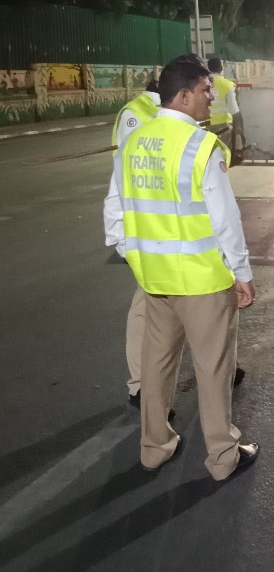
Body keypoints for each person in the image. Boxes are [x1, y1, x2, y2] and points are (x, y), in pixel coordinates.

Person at [104, 55, 258, 481]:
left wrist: (134, 253)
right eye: (206, 90)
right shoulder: (199, 146)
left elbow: (114, 207)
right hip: (203, 279)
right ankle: (223, 456)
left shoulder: (134, 140)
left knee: (156, 365)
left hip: (155, 279)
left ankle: (154, 447)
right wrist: (242, 272)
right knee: (213, 368)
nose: (212, 97)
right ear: (185, 95)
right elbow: (225, 219)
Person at [109, 76, 161, 410]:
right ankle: (142, 387)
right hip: (152, 235)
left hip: (165, 235)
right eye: (205, 89)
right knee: (149, 309)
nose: (211, 94)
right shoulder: (137, 115)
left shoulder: (175, 122)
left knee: (159, 310)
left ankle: (143, 387)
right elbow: (124, 179)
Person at [207, 56, 244, 157]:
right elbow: (234, 109)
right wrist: (239, 128)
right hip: (224, 127)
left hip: (206, 125)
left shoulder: (203, 84)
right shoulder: (228, 85)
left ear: (208, 68)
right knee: (223, 155)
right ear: (221, 69)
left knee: (209, 155)